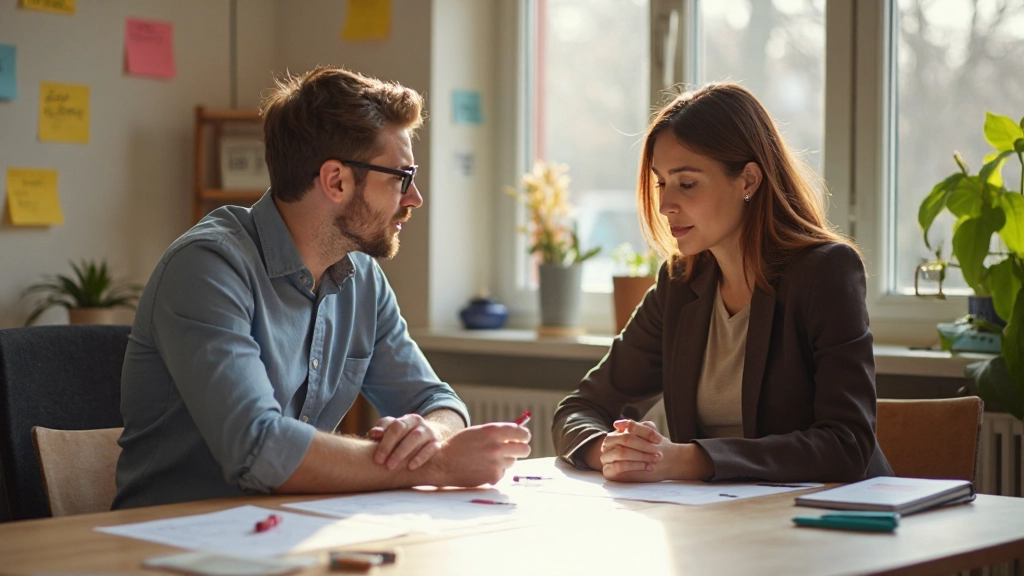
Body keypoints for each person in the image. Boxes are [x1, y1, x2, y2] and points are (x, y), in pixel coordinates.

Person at [113, 67, 530, 509]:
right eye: (401, 178)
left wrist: (433, 435)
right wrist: (438, 465)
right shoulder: (206, 268)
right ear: (336, 181)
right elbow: (260, 449)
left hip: (291, 529)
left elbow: (436, 399)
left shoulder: (362, 279)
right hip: (168, 539)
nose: (414, 198)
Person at [553, 83, 892, 483]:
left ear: (748, 180)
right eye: (662, 182)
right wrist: (609, 450)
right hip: (718, 523)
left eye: (687, 183)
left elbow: (846, 445)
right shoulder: (679, 284)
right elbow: (580, 408)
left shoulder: (826, 272)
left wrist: (684, 460)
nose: (664, 205)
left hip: (830, 524)